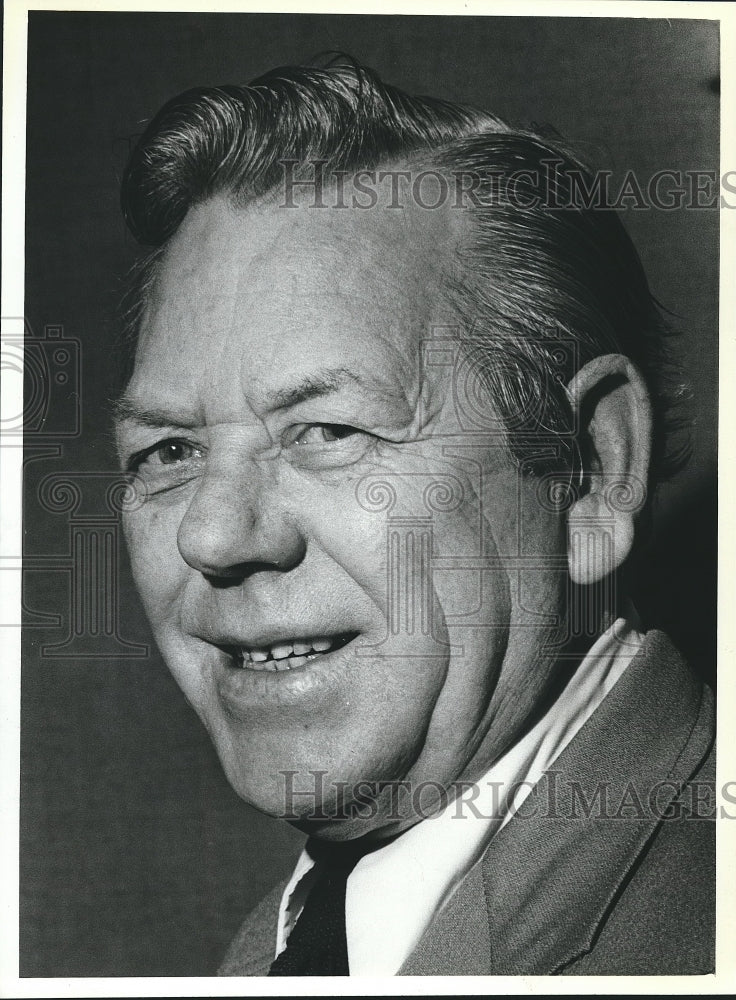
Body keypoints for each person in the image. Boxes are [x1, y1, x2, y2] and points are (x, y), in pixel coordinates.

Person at [113, 59, 714, 976]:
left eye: (328, 431)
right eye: (170, 451)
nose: (213, 536)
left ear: (592, 471)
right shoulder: (282, 950)